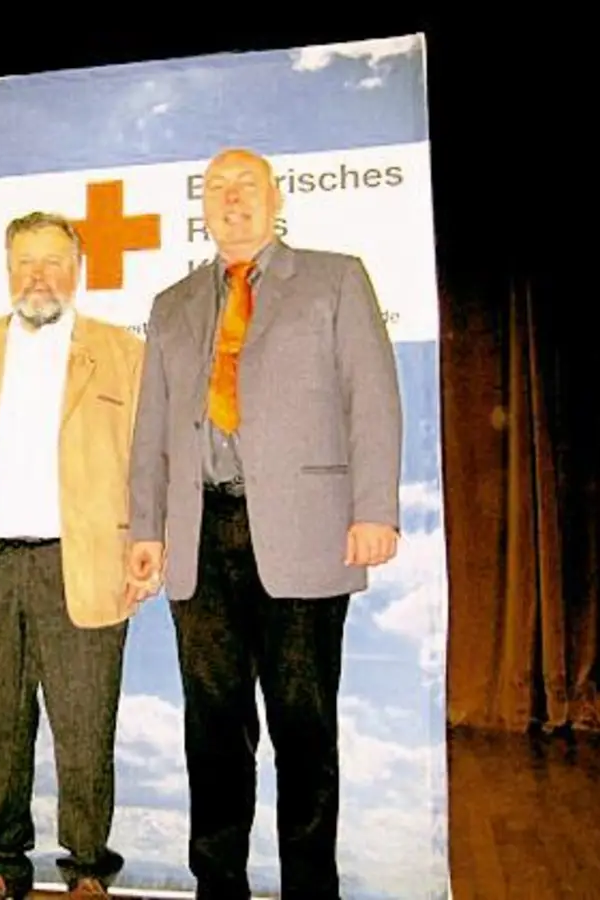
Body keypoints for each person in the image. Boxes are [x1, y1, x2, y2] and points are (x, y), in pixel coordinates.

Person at [126, 148, 403, 899]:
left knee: (304, 729)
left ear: (276, 197)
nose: (232, 198)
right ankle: (219, 885)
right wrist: (144, 528)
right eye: (217, 188)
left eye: (246, 184)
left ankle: (311, 889)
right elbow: (151, 426)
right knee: (212, 732)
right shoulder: (172, 303)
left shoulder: (335, 277)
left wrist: (374, 509)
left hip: (306, 534)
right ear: (203, 206)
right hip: (198, 539)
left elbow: (372, 398)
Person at [0, 212, 145, 900]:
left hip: (83, 564)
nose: (39, 276)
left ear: (77, 269)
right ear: (6, 270)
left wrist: (148, 543)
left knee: (85, 727)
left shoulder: (121, 351)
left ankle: (88, 869)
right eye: (25, 262)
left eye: (54, 261)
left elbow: (150, 460)